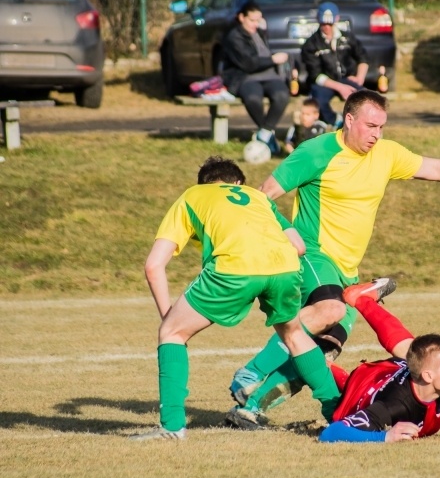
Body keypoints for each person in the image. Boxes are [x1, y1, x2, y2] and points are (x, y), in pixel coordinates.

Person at [226, 89, 440, 428]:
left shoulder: (386, 154)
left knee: (321, 352)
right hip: (313, 256)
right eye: (370, 126)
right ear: (349, 120)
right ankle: (252, 372)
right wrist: (284, 235)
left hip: (348, 272)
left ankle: (251, 407)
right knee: (330, 310)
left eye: (381, 127)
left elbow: (436, 168)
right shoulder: (316, 152)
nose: (376, 134)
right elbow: (262, 196)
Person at [129, 156, 340, 441]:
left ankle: (172, 426)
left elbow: (153, 266)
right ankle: (339, 415)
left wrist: (170, 320)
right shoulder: (257, 197)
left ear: (204, 184)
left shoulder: (193, 195)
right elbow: (299, 246)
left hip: (235, 269)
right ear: (238, 183)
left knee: (171, 333)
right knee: (295, 335)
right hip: (285, 267)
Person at [316, 280, 440, 443]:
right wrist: (385, 437)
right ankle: (316, 356)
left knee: (419, 351)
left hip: (391, 372)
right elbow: (331, 433)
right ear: (428, 376)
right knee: (326, 369)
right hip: (364, 386)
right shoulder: (393, 405)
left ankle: (361, 299)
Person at [221, 2, 289, 155]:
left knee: (282, 95)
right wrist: (273, 59)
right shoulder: (234, 37)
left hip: (269, 75)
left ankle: (264, 133)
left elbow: (264, 50)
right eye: (252, 20)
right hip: (246, 77)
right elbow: (248, 64)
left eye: (258, 20)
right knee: (253, 98)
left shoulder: (260, 31)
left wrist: (263, 31)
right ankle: (268, 135)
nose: (256, 24)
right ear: (241, 17)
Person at [301, 2, 368, 128]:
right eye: (323, 23)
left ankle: (360, 125)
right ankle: (336, 122)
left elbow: (362, 57)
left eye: (330, 23)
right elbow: (315, 75)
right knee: (319, 100)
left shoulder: (347, 38)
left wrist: (360, 77)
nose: (327, 27)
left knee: (365, 98)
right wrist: (341, 88)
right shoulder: (311, 44)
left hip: (347, 78)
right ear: (318, 20)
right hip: (325, 82)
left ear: (337, 19)